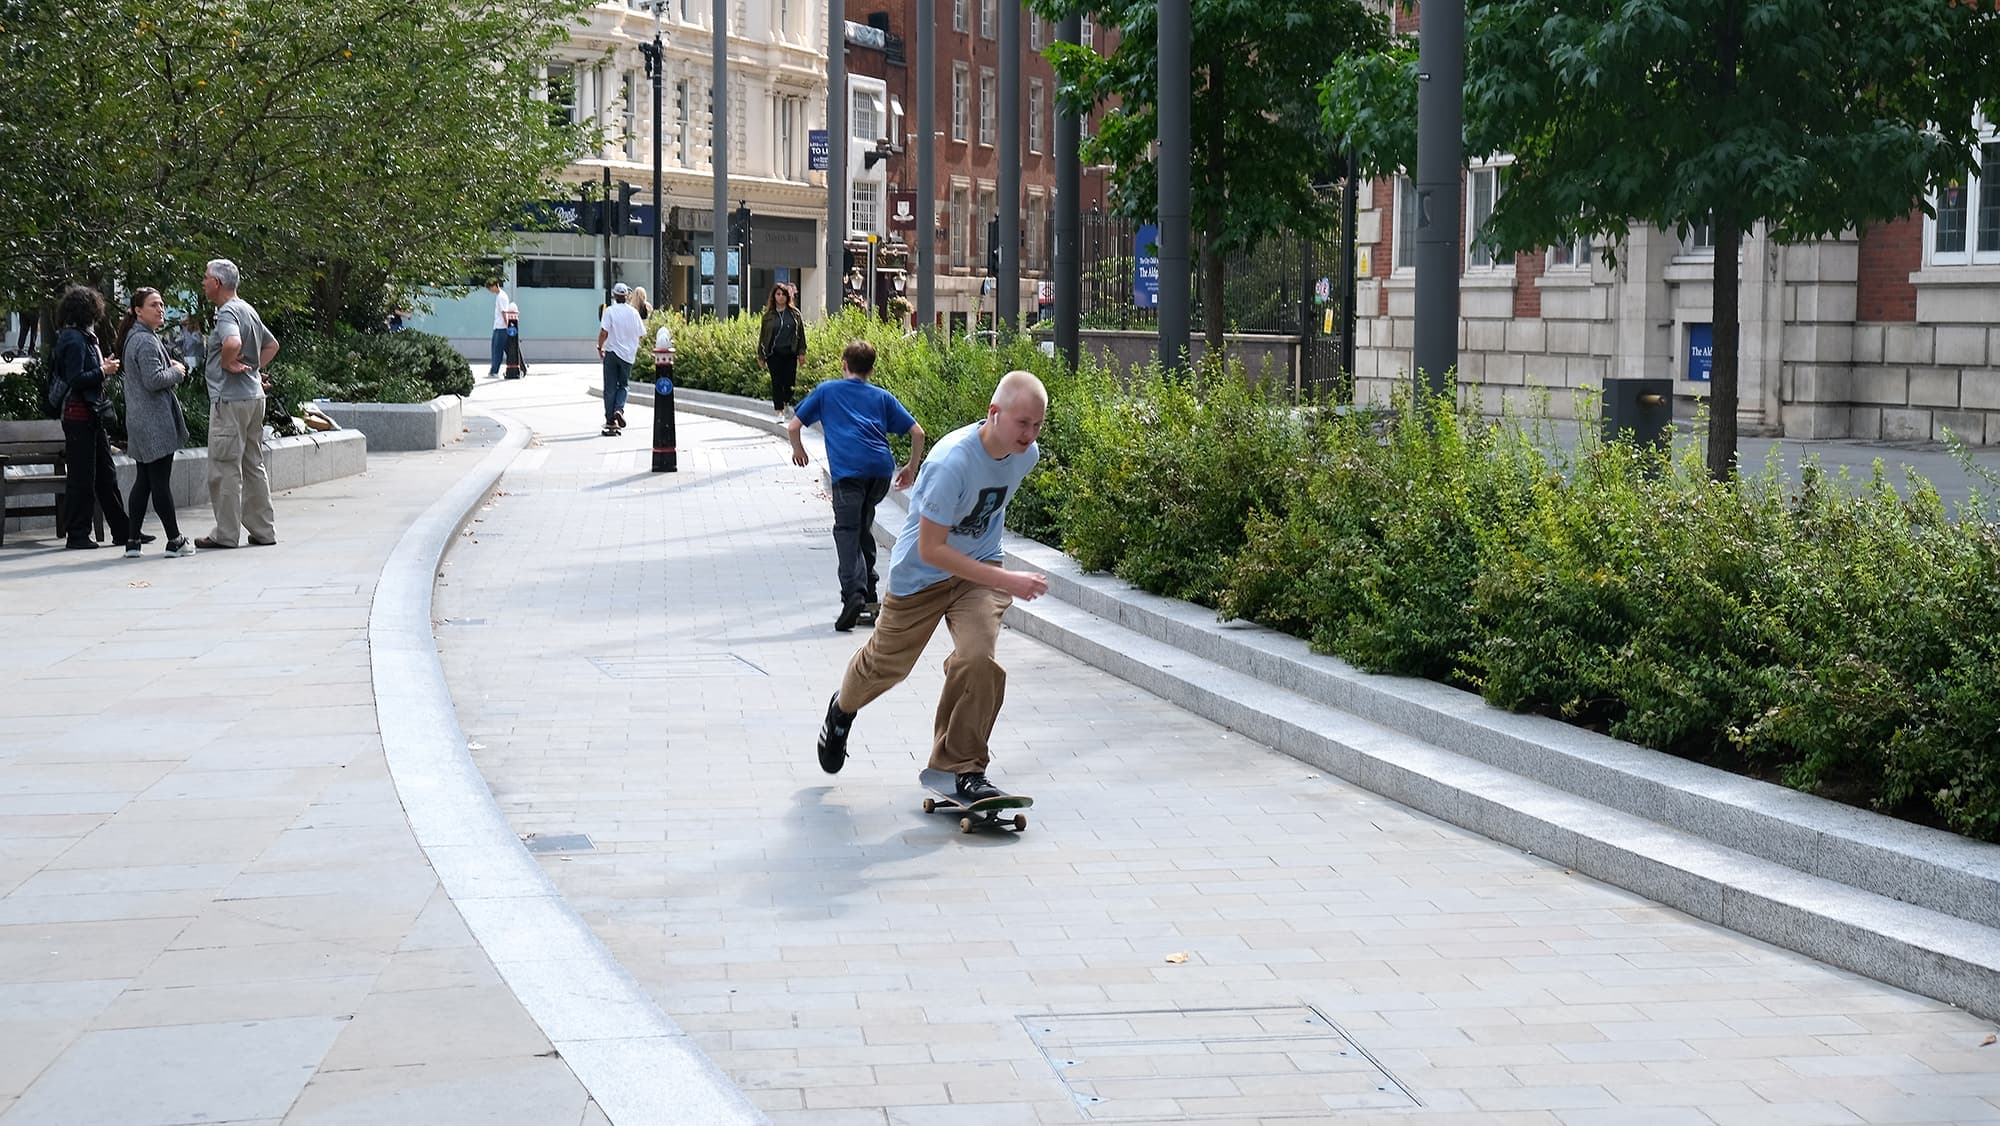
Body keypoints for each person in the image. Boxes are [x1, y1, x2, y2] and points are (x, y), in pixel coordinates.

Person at [815, 370, 1050, 804]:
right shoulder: (951, 462)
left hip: (976, 572)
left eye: (1037, 425)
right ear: (993, 414)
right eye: (1022, 423)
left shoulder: (1026, 454)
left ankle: (961, 768)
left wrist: (993, 574)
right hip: (922, 575)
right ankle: (841, 709)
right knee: (886, 667)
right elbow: (932, 548)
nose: (1030, 435)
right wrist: (1008, 580)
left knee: (978, 658)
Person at [787, 340, 925, 630]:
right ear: (871, 370)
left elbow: (793, 425)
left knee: (847, 531)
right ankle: (871, 592)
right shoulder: (881, 396)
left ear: (843, 364)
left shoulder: (827, 390)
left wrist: (798, 450)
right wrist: (912, 467)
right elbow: (917, 432)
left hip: (849, 472)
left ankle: (854, 595)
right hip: (879, 472)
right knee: (862, 526)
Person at [195, 258, 279, 550]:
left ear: (217, 283)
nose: (203, 282)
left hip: (229, 401)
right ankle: (263, 530)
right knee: (253, 463)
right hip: (254, 398)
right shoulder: (248, 309)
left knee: (224, 466)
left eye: (206, 278)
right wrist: (254, 372)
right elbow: (272, 345)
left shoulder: (227, 311)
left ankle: (226, 534)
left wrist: (228, 362)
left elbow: (231, 343)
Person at [49, 286, 133, 550]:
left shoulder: (81, 337)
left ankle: (123, 531)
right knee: (82, 477)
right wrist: (103, 370)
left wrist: (100, 367)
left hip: (89, 414)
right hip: (79, 414)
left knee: (105, 475)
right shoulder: (74, 339)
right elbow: (76, 378)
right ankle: (77, 534)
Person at [116, 288, 194, 557]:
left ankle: (132, 541)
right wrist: (177, 371)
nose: (160, 309)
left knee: (144, 481)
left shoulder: (136, 337)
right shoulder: (146, 340)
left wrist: (165, 366)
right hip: (154, 421)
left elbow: (145, 373)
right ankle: (175, 540)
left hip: (139, 419)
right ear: (138, 310)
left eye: (161, 304)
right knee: (159, 482)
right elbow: (153, 381)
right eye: (153, 305)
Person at [596, 282, 643, 437]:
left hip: (611, 352)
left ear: (615, 296)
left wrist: (599, 347)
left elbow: (604, 332)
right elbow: (641, 334)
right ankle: (619, 409)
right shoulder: (634, 313)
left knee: (610, 387)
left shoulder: (609, 311)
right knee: (623, 385)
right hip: (627, 356)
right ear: (626, 296)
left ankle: (610, 419)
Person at [756, 283, 807, 418]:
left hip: (790, 352)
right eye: (778, 294)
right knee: (776, 381)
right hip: (774, 353)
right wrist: (761, 356)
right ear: (774, 296)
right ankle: (779, 410)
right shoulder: (768, 317)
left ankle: (785, 402)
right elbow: (763, 337)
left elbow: (801, 334)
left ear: (787, 296)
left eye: (783, 294)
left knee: (790, 381)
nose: (781, 297)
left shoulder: (795, 314)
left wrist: (802, 353)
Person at [486, 279, 510, 378]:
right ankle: (494, 370)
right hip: (498, 326)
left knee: (497, 349)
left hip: (502, 327)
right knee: (501, 349)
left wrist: (508, 326)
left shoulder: (502, 297)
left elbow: (504, 313)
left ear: (495, 285)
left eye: (490, 288)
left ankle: (494, 371)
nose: (490, 290)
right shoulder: (499, 296)